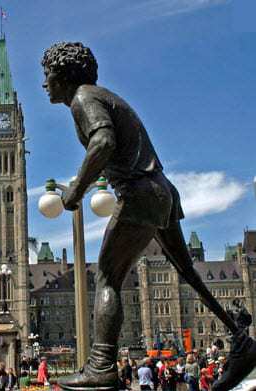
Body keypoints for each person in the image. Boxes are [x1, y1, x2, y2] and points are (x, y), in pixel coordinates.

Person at [40, 41, 256, 391]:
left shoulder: (83, 98)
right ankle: (242, 343)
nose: (44, 84)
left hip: (140, 193)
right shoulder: (101, 95)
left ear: (63, 74)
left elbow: (104, 142)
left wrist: (75, 192)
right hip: (162, 191)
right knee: (188, 272)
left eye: (47, 75)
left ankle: (101, 366)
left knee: (108, 277)